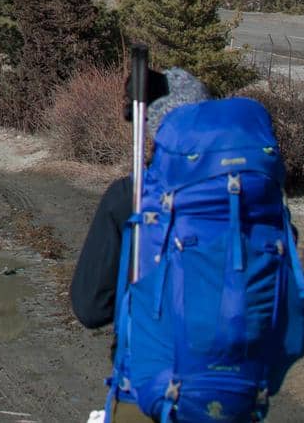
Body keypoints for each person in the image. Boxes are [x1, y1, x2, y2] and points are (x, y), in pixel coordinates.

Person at [69, 66, 209, 423]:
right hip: (239, 395)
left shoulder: (129, 198)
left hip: (148, 394)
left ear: (154, 128)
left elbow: (91, 308)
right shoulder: (249, 198)